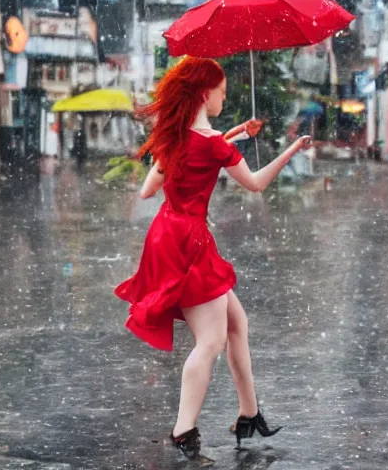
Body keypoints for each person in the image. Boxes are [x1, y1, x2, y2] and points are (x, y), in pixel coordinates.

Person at [114, 57, 310, 463]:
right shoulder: (211, 143)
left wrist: (233, 135)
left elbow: (151, 189)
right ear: (206, 93)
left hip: (167, 234)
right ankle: (184, 429)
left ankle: (248, 413)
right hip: (192, 242)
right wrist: (293, 149)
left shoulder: (177, 137)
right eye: (221, 91)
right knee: (211, 341)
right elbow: (255, 184)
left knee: (237, 324)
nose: (225, 96)